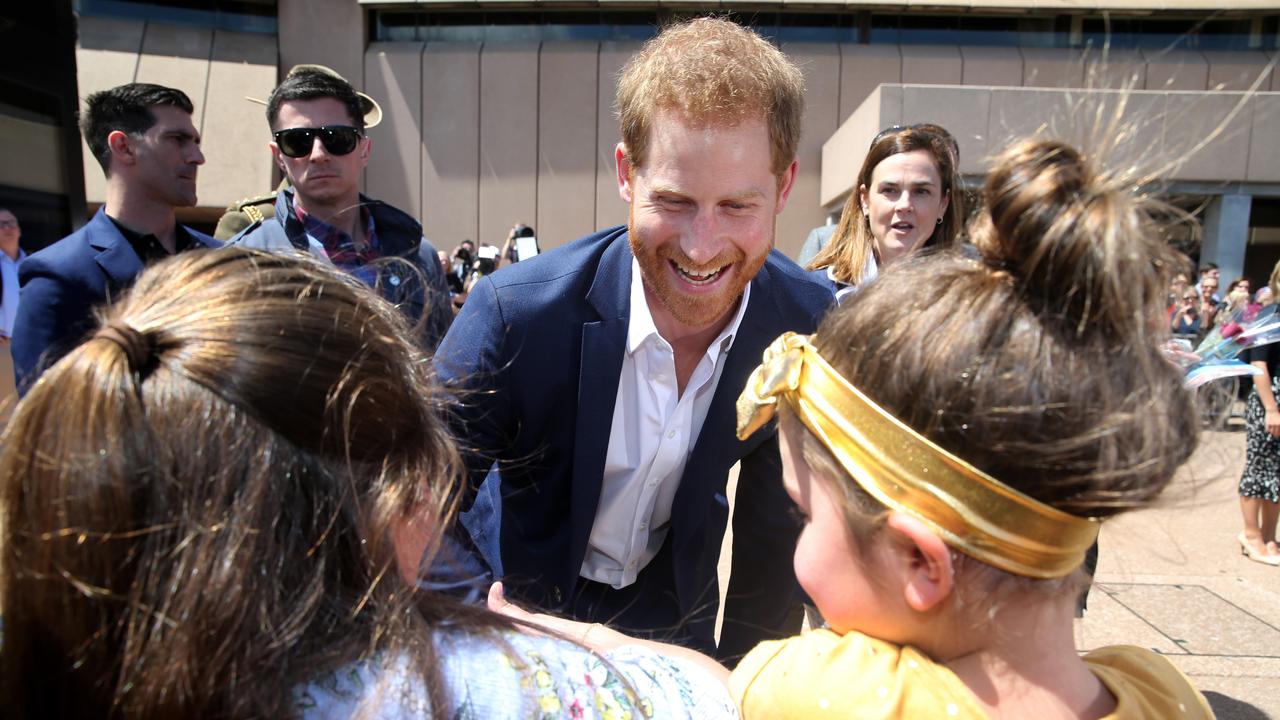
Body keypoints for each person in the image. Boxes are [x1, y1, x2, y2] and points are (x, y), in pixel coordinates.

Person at [495, 138, 1215, 718]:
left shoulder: (840, 693)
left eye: (808, 514)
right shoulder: (1153, 685)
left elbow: (706, 688)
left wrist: (586, 639)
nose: (798, 540)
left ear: (921, 564)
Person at [0, 247, 738, 718]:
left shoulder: (59, 652)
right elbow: (712, 697)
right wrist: (568, 637)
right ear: (406, 488)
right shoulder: (495, 689)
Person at [435, 17, 831, 661]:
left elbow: (774, 534)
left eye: (737, 206)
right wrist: (493, 624)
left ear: (784, 186)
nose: (702, 248)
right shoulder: (514, 314)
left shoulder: (805, 325)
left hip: (674, 622)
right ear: (627, 172)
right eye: (673, 201)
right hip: (520, 616)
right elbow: (411, 502)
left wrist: (743, 686)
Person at [230, 66, 452, 350]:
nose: (319, 154)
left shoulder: (420, 256)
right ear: (279, 157)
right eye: (297, 141)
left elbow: (444, 372)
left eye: (337, 138)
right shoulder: (244, 261)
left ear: (365, 150)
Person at [12, 83, 217, 388]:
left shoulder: (223, 259)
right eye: (177, 139)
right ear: (123, 147)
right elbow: (49, 417)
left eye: (196, 141)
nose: (197, 157)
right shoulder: (58, 275)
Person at [806, 123, 963, 302]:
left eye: (921, 191)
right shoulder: (815, 294)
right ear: (865, 199)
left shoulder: (966, 301)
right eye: (889, 190)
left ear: (943, 203)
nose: (904, 205)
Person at [1237, 260, 1280, 566]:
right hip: (1270, 399)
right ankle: (1251, 534)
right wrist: (1271, 408)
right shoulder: (1269, 315)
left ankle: (1269, 535)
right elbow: (1258, 365)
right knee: (1258, 468)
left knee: (1276, 475)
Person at [0, 208, 25, 345]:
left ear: (19, 230)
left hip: (31, 341)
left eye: (11, 223)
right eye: (1, 225)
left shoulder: (34, 261)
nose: (7, 227)